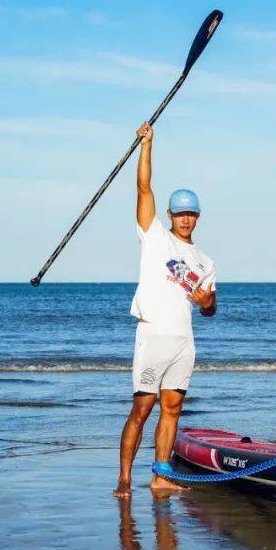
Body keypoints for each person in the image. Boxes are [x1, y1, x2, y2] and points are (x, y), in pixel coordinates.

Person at [113, 123, 216, 497]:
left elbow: (209, 308)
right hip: (153, 333)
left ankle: (160, 475)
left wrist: (207, 302)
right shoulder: (154, 236)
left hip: (183, 342)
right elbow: (144, 188)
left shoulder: (205, 261)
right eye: (180, 214)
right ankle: (124, 478)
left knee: (172, 410)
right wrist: (147, 146)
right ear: (171, 215)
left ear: (198, 217)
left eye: (191, 214)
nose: (185, 219)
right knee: (141, 409)